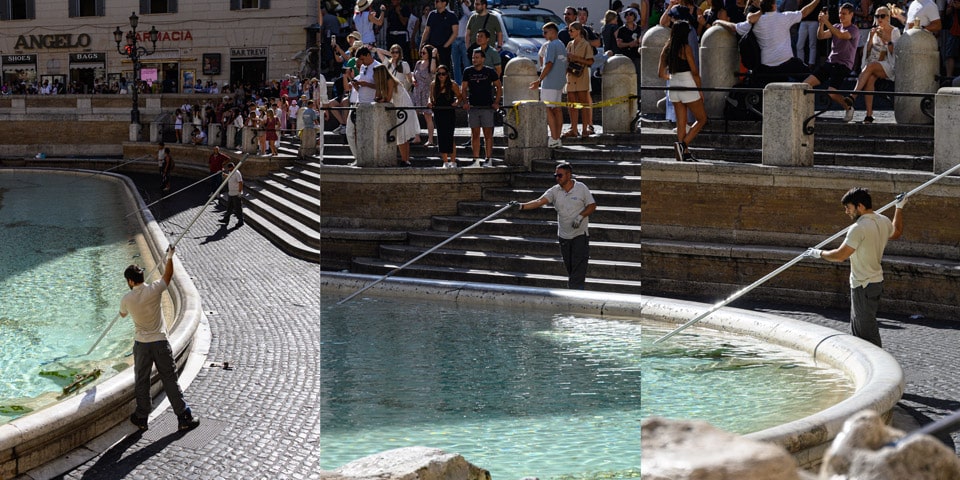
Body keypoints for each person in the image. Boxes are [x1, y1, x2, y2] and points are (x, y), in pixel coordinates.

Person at [804, 187, 905, 347]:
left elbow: (840, 255)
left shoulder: (858, 228)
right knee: (862, 329)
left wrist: (818, 253)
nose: (846, 212)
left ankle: (877, 368)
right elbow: (897, 231)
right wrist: (899, 208)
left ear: (860, 206)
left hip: (862, 285)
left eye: (848, 208)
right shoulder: (883, 221)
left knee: (865, 334)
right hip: (875, 282)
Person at [121, 247, 200, 432]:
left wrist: (124, 308)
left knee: (142, 380)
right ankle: (183, 417)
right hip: (160, 343)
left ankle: (141, 418)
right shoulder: (155, 289)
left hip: (141, 345)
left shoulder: (127, 299)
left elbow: (123, 314)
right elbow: (168, 275)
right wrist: (170, 257)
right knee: (169, 379)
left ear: (131, 281)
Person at [515, 162, 597, 290]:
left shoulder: (581, 188)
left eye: (560, 175)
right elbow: (539, 201)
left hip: (580, 235)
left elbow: (592, 205)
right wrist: (521, 206)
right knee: (570, 267)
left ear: (568, 175)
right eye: (555, 175)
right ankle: (574, 291)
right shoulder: (554, 190)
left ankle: (575, 293)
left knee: (579, 267)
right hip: (564, 236)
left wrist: (580, 216)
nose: (557, 178)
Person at [714, 0, 820, 83]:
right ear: (774, 5)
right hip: (786, 64)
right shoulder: (785, 17)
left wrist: (719, 21)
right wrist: (817, 1)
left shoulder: (755, 21)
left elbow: (734, 27)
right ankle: (799, 96)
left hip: (766, 66)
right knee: (812, 78)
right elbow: (804, 12)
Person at [658, 20, 707, 161]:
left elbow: (660, 74)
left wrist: (672, 77)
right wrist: (700, 90)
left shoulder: (666, 48)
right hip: (688, 83)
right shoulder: (685, 48)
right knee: (702, 119)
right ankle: (682, 145)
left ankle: (683, 153)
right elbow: (695, 72)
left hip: (673, 85)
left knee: (681, 122)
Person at [803, 2, 859, 122]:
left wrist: (827, 22)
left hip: (843, 64)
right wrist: (822, 23)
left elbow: (841, 35)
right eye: (840, 13)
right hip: (830, 62)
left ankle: (848, 107)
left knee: (832, 92)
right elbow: (821, 36)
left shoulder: (854, 29)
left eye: (844, 14)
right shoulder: (836, 26)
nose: (841, 16)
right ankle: (806, 111)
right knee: (805, 84)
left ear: (851, 15)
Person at [848, 6, 900, 123]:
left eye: (882, 16)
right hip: (876, 64)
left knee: (870, 67)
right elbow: (865, 52)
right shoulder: (874, 30)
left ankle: (853, 96)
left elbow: (895, 51)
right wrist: (871, 38)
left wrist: (886, 39)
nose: (879, 18)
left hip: (889, 65)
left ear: (888, 17)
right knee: (870, 78)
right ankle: (869, 115)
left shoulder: (894, 31)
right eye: (877, 16)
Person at [461, 48, 501, 166]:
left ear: (483, 59)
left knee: (488, 134)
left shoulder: (490, 71)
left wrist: (496, 102)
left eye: (477, 57)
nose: (474, 60)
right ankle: (476, 159)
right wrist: (465, 102)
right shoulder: (468, 71)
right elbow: (463, 88)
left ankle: (489, 158)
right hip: (473, 107)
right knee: (475, 134)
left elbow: (499, 86)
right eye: (473, 58)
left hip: (487, 107)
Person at [530, 22, 567, 148]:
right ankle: (557, 137)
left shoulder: (551, 45)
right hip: (559, 81)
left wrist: (539, 80)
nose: (543, 35)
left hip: (550, 82)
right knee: (557, 109)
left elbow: (549, 64)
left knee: (547, 108)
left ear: (553, 31)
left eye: (545, 32)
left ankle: (554, 137)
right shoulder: (561, 44)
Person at [373, 64, 418, 166]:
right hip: (402, 107)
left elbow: (387, 99)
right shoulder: (387, 82)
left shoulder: (390, 81)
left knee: (401, 135)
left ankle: (404, 160)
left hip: (402, 108)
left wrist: (381, 99)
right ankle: (406, 160)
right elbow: (378, 96)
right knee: (403, 136)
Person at [562, 22, 593, 139]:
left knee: (583, 104)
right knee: (572, 105)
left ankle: (584, 129)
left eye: (572, 30)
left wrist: (576, 58)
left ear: (578, 31)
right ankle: (574, 129)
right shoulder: (569, 44)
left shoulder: (585, 45)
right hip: (570, 77)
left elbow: (590, 61)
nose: (569, 33)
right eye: (569, 30)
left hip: (581, 76)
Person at [429, 65, 461, 168]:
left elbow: (459, 96)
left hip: (449, 112)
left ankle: (453, 161)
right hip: (438, 112)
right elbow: (430, 97)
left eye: (443, 74)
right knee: (441, 136)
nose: (441, 76)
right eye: (439, 74)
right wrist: (430, 103)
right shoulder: (434, 84)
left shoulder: (452, 84)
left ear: (447, 74)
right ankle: (445, 161)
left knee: (450, 136)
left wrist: (456, 103)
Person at [421, 0, 460, 70]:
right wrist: (421, 45)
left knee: (443, 70)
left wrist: (445, 46)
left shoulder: (451, 16)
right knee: (430, 69)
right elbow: (426, 31)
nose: (435, 2)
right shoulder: (432, 14)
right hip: (431, 48)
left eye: (437, 1)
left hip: (444, 50)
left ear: (444, 3)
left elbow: (455, 33)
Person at [412, 45, 439, 145]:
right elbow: (413, 74)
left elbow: (432, 71)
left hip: (427, 91)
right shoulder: (418, 63)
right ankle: (416, 136)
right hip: (417, 90)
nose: (422, 54)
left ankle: (430, 139)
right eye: (421, 52)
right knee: (414, 114)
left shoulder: (432, 63)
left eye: (424, 53)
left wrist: (433, 56)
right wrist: (413, 80)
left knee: (428, 116)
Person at [220, 162, 244, 227]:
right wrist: (225, 175)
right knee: (229, 207)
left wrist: (239, 192)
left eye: (230, 169)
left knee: (238, 208)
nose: (229, 170)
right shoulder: (231, 171)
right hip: (231, 193)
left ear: (233, 167)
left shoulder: (237, 173)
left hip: (236, 193)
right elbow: (230, 177)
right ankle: (226, 219)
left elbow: (240, 182)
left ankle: (240, 221)